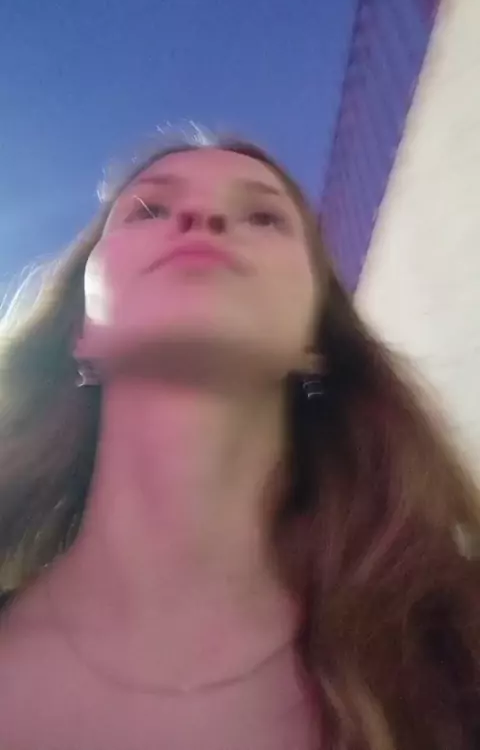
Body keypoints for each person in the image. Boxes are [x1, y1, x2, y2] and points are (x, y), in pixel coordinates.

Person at [0, 132, 478, 750]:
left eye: (263, 216)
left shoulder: (458, 641)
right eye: (149, 210)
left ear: (316, 339)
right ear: (80, 333)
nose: (204, 217)